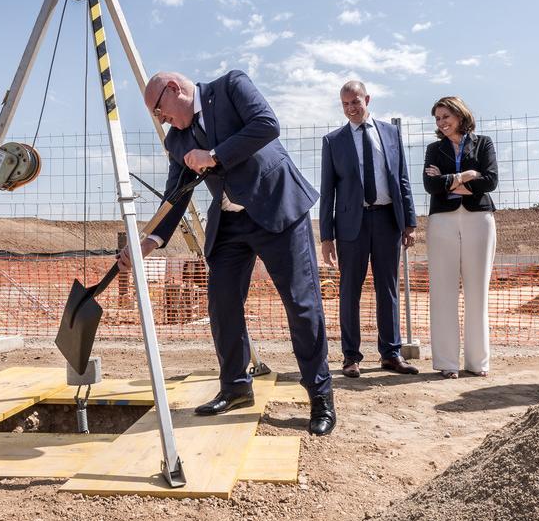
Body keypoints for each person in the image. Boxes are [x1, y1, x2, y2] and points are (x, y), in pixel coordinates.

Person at [119, 70, 336, 435]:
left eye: (160, 110)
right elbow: (177, 194)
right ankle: (235, 387)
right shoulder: (177, 141)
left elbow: (267, 125)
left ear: (175, 89)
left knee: (301, 304)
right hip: (231, 221)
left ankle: (320, 396)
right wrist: (148, 241)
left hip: (277, 208)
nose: (161, 119)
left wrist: (214, 155)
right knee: (221, 303)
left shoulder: (231, 87)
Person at [318, 81, 419, 379]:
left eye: (355, 101)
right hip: (351, 226)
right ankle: (351, 357)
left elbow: (402, 179)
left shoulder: (390, 133)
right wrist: (327, 237)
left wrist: (409, 222)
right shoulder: (333, 141)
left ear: (368, 99)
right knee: (350, 291)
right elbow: (328, 192)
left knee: (387, 289)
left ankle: (391, 353)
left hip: (388, 221)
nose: (351, 107)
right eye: (345, 103)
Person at [422, 96, 498, 379]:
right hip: (442, 221)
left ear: (460, 114)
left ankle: (478, 362)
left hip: (480, 219)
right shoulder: (434, 149)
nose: (442, 123)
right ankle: (447, 363)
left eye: (446, 116)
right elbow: (431, 185)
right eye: (438, 119)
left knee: (477, 292)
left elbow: (490, 181)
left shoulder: (484, 143)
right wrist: (466, 175)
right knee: (443, 291)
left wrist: (450, 181)